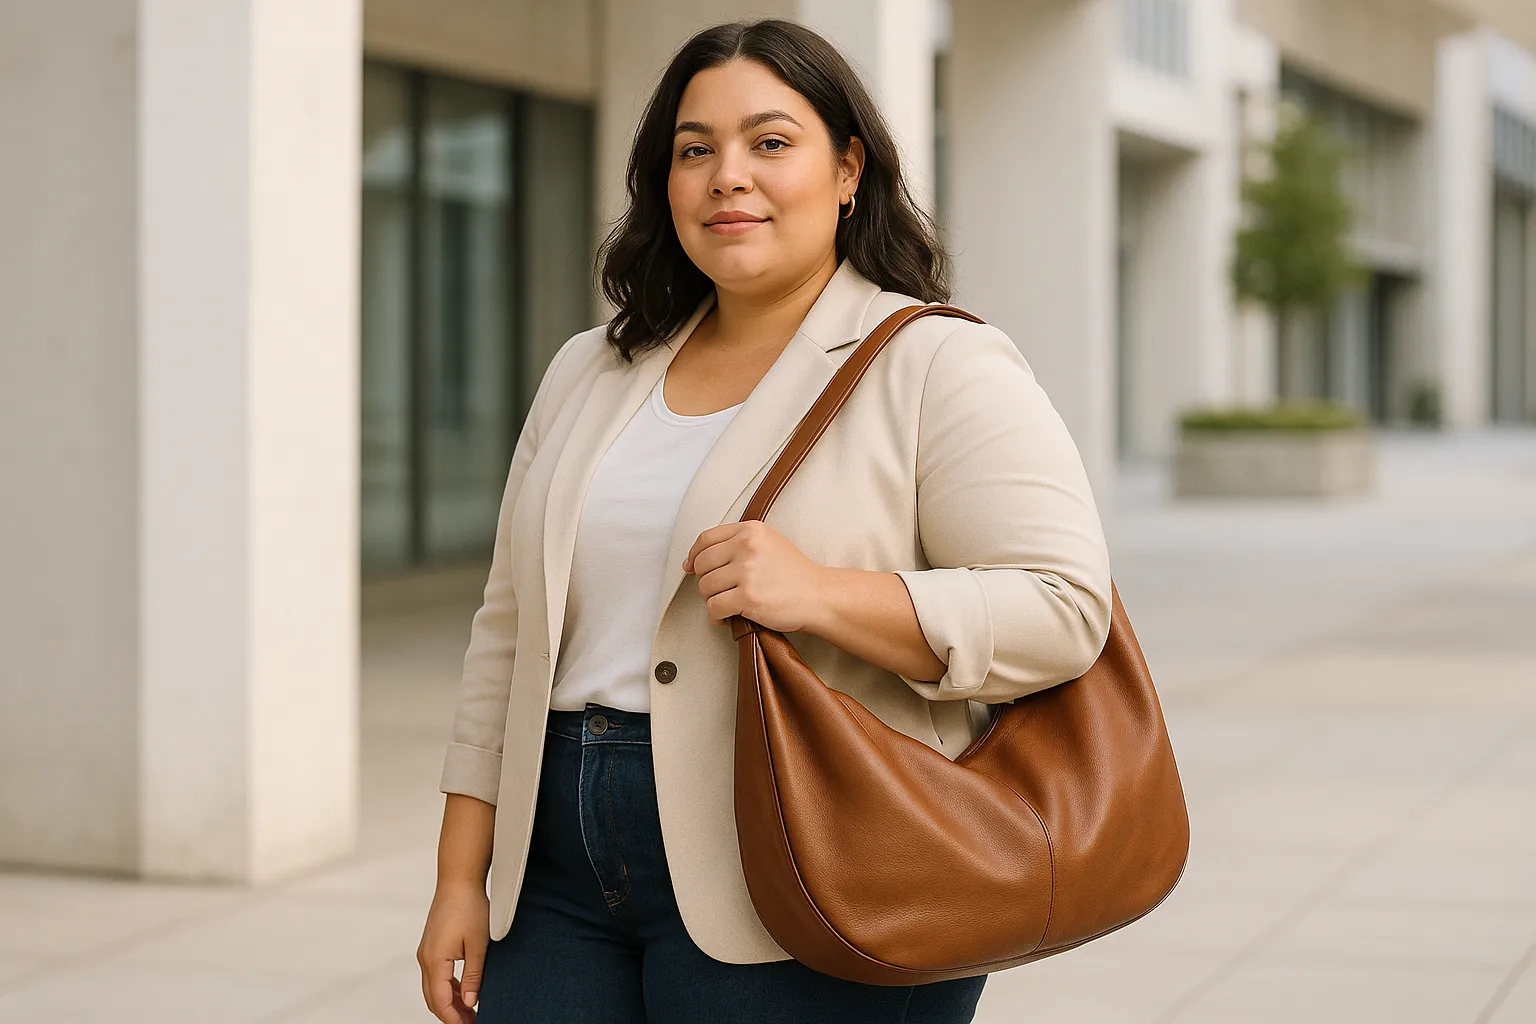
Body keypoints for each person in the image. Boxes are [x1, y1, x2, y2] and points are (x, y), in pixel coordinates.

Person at [416, 17, 1112, 1024]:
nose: (726, 176)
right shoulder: (590, 369)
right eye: (694, 150)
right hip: (559, 872)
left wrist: (824, 595)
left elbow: (1064, 608)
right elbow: (507, 630)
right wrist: (459, 876)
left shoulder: (934, 364)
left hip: (814, 855)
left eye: (770, 142)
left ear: (848, 169)